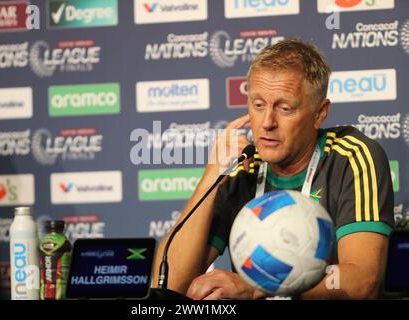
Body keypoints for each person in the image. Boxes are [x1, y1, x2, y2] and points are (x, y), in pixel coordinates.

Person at [152, 38, 394, 299]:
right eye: (258, 105)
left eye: (285, 108)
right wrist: (212, 174)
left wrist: (258, 289)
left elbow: (362, 280)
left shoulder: (351, 156)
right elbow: (168, 285)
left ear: (320, 112)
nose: (267, 122)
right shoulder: (243, 168)